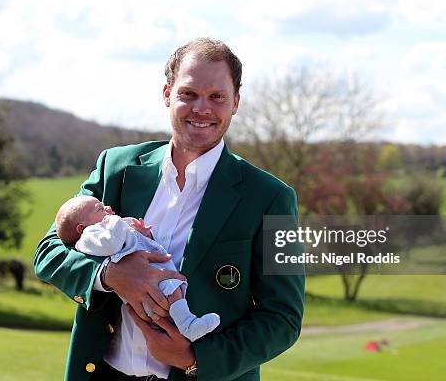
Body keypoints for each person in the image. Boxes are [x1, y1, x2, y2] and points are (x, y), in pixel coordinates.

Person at [34, 37, 305, 381]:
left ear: (235, 102)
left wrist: (195, 359)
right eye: (188, 94)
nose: (202, 108)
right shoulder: (115, 168)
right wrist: (109, 276)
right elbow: (49, 252)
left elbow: (282, 318)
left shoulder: (271, 197)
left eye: (217, 96)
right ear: (167, 95)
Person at [54, 195, 221, 342]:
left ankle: (185, 326)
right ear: (81, 228)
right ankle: (188, 326)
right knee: (172, 291)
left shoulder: (105, 227)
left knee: (173, 292)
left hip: (155, 273)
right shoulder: (90, 236)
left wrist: (143, 233)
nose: (108, 208)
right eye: (100, 209)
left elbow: (134, 241)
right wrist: (115, 221)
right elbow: (112, 244)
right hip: (146, 286)